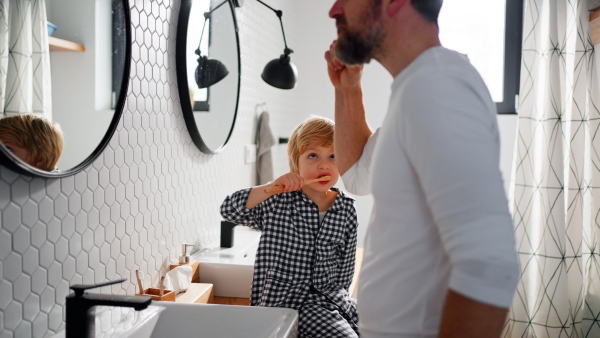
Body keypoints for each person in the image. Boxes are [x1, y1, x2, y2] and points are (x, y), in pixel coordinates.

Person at [324, 0, 520, 337]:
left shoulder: (437, 86)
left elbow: (489, 264)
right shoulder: (417, 88)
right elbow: (357, 174)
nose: (334, 9)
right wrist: (348, 91)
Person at [221, 116, 360, 337]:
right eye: (313, 155)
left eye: (333, 156)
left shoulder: (346, 209)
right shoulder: (277, 201)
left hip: (333, 301)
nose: (324, 164)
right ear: (296, 162)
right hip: (289, 304)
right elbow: (228, 209)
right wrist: (272, 186)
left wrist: (341, 308)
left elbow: (345, 274)